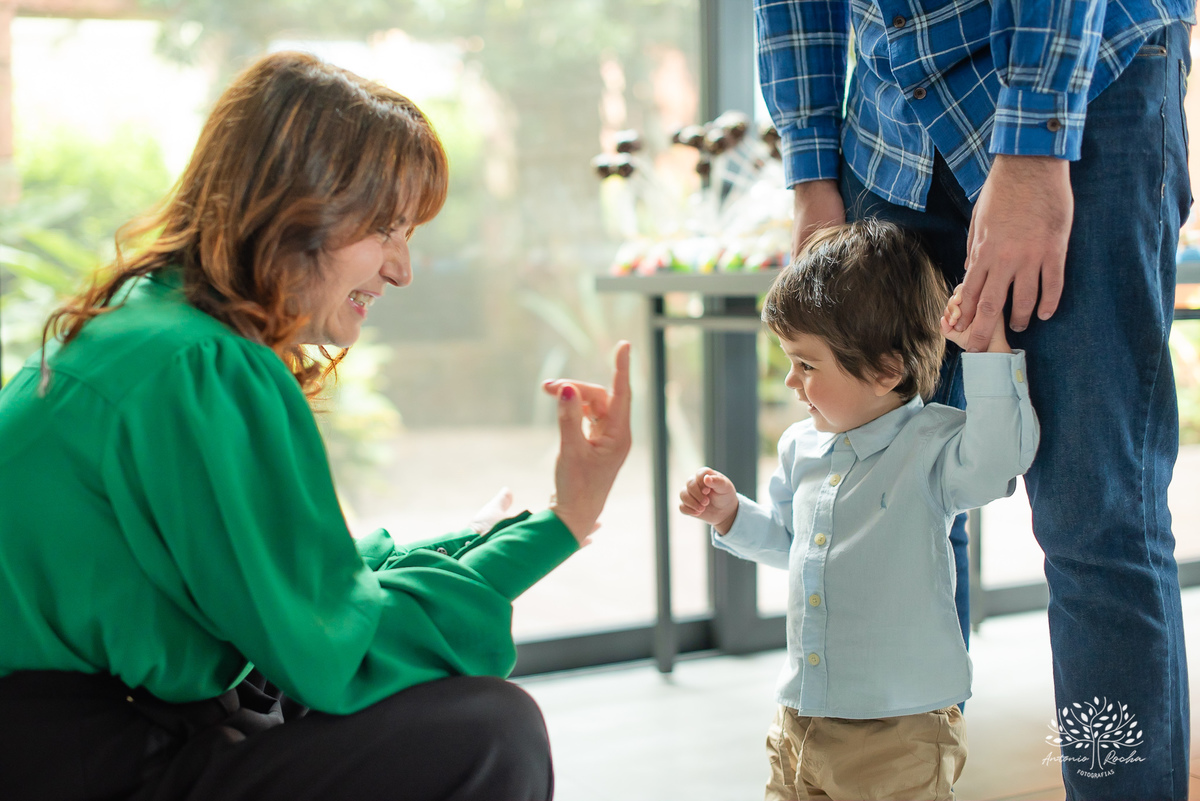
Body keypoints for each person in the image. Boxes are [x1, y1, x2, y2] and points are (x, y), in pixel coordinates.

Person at [0, 51, 632, 801]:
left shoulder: (150, 327)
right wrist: (564, 522)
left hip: (62, 741)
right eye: (386, 230)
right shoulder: (202, 364)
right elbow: (336, 652)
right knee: (490, 729)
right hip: (91, 764)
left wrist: (501, 536)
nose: (401, 269)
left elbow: (297, 583)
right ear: (298, 209)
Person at [756, 0, 1194, 795]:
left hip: (1085, 78)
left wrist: (1034, 145)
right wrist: (813, 173)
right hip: (891, 129)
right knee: (894, 486)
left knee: (1095, 516)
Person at [679, 220, 1038, 800]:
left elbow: (1000, 459)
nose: (793, 382)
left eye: (808, 365)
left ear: (885, 370)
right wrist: (730, 516)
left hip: (898, 731)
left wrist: (987, 353)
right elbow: (792, 543)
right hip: (802, 716)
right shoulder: (801, 447)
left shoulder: (930, 446)